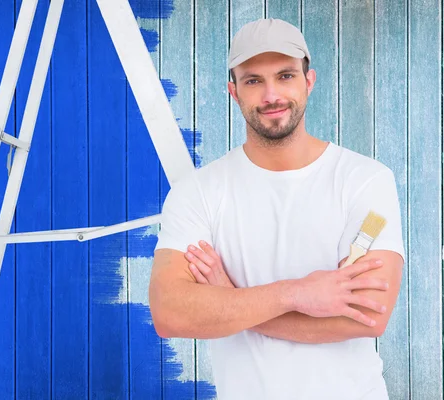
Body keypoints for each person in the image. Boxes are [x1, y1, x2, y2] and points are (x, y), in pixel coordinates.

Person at [148, 18, 405, 399]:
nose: (271, 95)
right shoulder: (198, 193)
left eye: (285, 76)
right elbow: (170, 314)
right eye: (254, 80)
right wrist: (295, 293)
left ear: (309, 81)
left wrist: (231, 300)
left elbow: (369, 314)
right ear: (234, 92)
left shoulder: (365, 180)